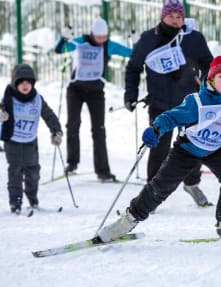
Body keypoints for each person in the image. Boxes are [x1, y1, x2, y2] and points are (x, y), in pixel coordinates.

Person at [97, 55, 221, 242]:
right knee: (160, 187)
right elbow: (171, 117)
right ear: (211, 79)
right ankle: (128, 220)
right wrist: (156, 129)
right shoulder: (197, 102)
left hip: (216, 149)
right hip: (187, 149)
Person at [124, 0, 213, 206]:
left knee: (194, 143)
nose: (175, 20)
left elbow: (209, 63)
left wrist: (208, 87)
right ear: (163, 17)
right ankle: (151, 194)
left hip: (190, 103)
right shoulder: (149, 39)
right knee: (158, 148)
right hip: (160, 103)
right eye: (171, 16)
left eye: (179, 16)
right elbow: (133, 68)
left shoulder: (193, 38)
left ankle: (192, 183)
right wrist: (130, 94)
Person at [54, 17, 132, 182]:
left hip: (96, 91)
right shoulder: (80, 42)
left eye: (104, 37)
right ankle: (72, 163)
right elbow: (59, 50)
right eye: (99, 37)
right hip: (75, 90)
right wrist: (64, 38)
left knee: (99, 129)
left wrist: (138, 45)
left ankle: (103, 171)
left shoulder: (108, 45)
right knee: (73, 125)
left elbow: (129, 53)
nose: (101, 40)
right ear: (92, 34)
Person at [0, 64, 62, 214]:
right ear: (15, 83)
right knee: (15, 172)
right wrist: (2, 114)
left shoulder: (37, 99)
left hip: (30, 141)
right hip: (12, 140)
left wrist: (56, 131)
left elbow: (49, 116)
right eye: (22, 82)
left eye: (29, 82)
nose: (25, 85)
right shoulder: (9, 98)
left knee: (33, 172)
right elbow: (1, 109)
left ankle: (32, 199)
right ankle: (16, 203)